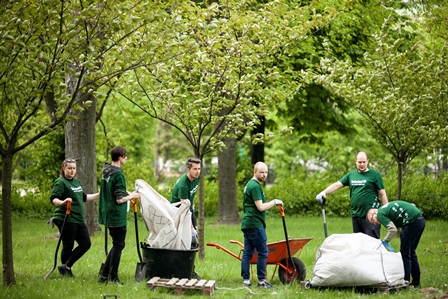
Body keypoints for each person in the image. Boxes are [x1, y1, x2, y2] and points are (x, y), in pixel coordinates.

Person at [316, 151, 388, 239]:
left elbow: (383, 194)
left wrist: (385, 213)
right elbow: (337, 184)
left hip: (371, 216)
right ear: (355, 161)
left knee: (372, 244)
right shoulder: (351, 175)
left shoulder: (375, 175)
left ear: (367, 161)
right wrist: (324, 192)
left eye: (364, 162)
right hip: (356, 215)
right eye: (359, 162)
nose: (362, 164)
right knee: (358, 243)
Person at [50, 158, 100, 277]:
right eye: (69, 168)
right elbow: (53, 199)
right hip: (65, 218)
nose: (72, 171)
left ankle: (66, 266)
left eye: (74, 168)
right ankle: (65, 270)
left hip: (78, 219)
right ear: (64, 169)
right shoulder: (60, 182)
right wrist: (63, 202)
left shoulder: (76, 181)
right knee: (68, 245)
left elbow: (84, 197)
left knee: (85, 244)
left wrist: (99, 195)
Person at [98, 146, 140, 285]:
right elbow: (119, 199)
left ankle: (104, 276)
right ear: (121, 157)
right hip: (116, 215)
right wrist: (133, 195)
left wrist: (127, 193)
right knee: (118, 246)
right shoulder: (118, 175)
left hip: (107, 213)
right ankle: (113, 278)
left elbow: (114, 191)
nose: (126, 158)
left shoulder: (106, 171)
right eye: (125, 156)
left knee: (117, 245)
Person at [241, 161, 283, 289]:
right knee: (263, 251)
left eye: (266, 172)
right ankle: (262, 281)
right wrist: (275, 202)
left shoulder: (251, 185)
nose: (264, 175)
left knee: (248, 252)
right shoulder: (254, 186)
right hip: (254, 223)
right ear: (255, 172)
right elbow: (260, 207)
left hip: (248, 223)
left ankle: (246, 280)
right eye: (261, 172)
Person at [366, 201, 425, 287]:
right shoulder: (386, 208)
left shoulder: (380, 213)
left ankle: (405, 281)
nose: (374, 223)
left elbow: (393, 230)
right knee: (411, 252)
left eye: (372, 220)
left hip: (411, 223)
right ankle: (416, 282)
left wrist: (384, 242)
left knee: (405, 254)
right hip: (420, 220)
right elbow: (412, 205)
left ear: (375, 213)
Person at [170, 157, 201, 278]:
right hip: (178, 213)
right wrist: (191, 227)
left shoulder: (196, 179)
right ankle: (182, 271)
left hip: (189, 210)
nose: (197, 171)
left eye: (199, 169)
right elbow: (183, 209)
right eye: (195, 169)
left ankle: (189, 270)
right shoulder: (183, 185)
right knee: (186, 241)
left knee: (193, 241)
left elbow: (190, 204)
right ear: (188, 169)